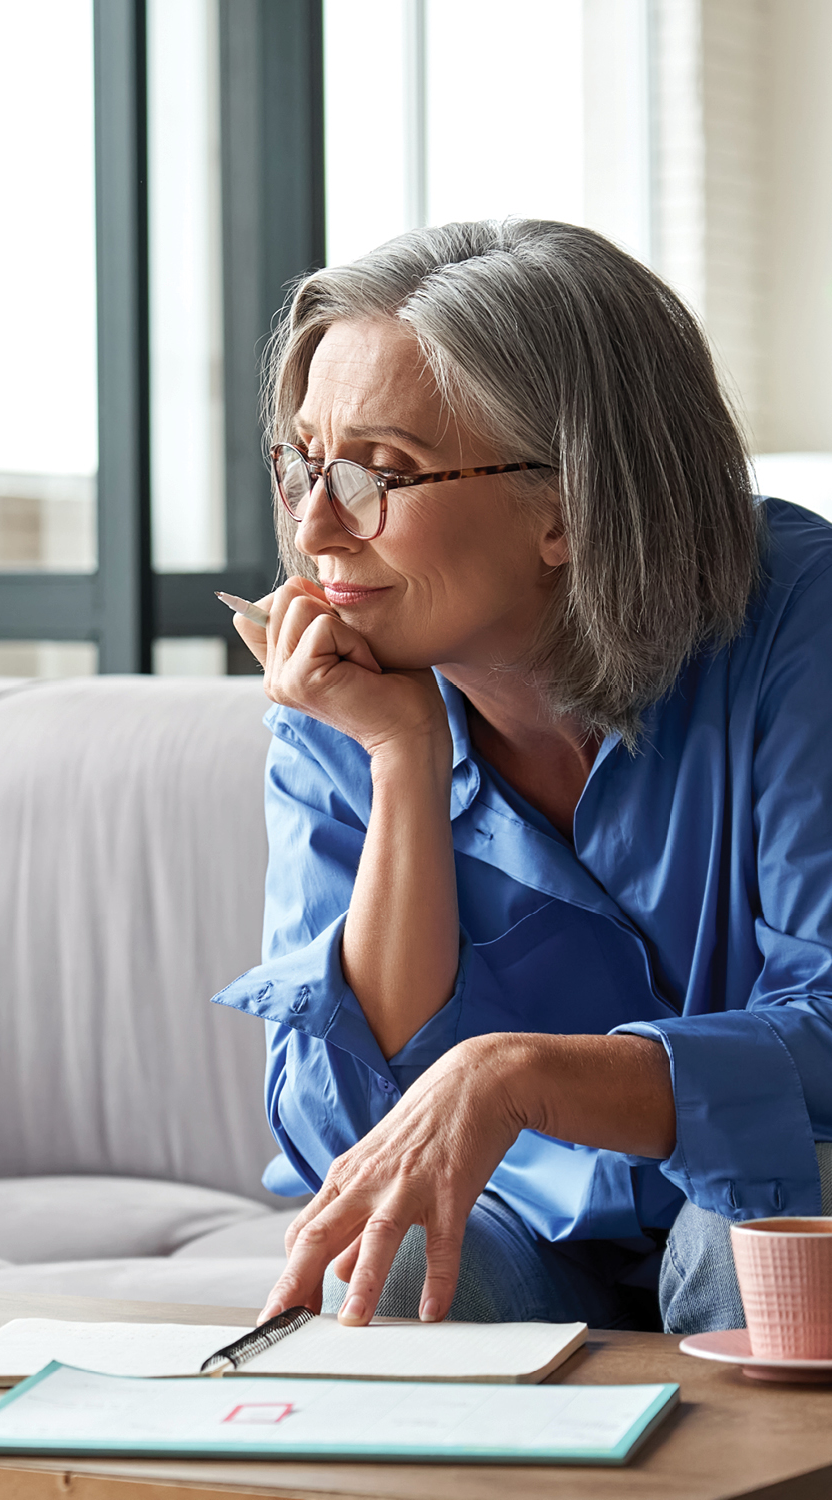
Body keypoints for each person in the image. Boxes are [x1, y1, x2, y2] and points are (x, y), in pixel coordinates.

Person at [216, 218, 832, 1336]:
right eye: (303, 461)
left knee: (747, 1240)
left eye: (377, 474)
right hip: (531, 1220)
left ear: (566, 506)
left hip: (787, 1186)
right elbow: (340, 1130)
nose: (315, 529)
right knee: (387, 1257)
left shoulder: (800, 621)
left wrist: (518, 1074)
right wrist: (403, 762)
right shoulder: (344, 683)